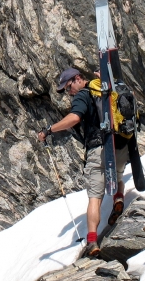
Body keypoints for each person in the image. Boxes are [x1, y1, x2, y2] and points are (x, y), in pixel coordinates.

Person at [38, 67, 128, 258]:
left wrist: (49, 130)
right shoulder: (104, 88)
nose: (69, 93)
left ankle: (92, 240)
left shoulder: (83, 95)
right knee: (118, 174)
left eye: (69, 86)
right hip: (120, 144)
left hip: (98, 147)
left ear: (77, 79)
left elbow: (74, 118)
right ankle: (119, 197)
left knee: (94, 196)